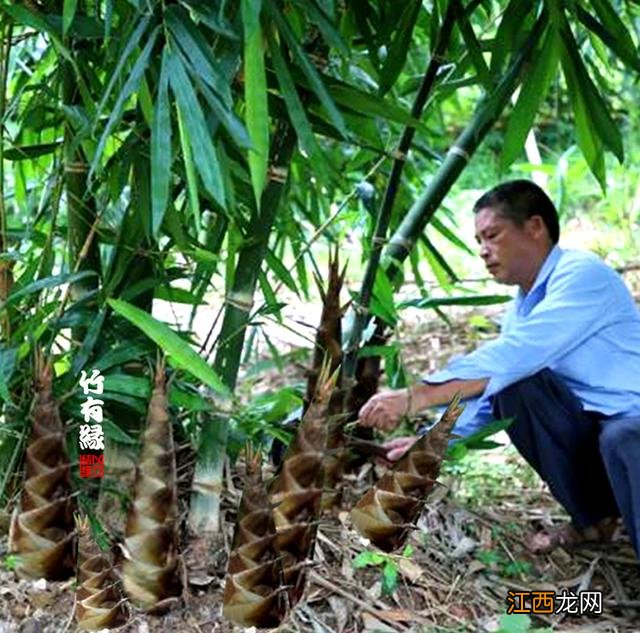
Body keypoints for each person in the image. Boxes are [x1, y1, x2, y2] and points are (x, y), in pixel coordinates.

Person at [358, 180, 640, 558]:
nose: (483, 252)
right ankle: (594, 520)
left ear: (535, 227)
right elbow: (495, 390)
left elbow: (514, 355)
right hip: (602, 444)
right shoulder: (521, 308)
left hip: (630, 431)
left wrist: (416, 397)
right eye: (478, 241)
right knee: (515, 389)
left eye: (492, 235)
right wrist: (430, 442)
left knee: (620, 436)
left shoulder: (581, 276)